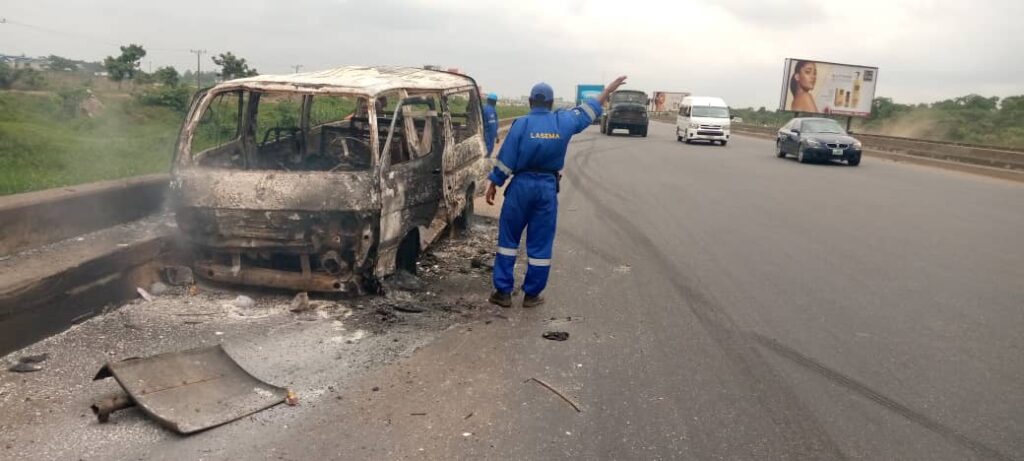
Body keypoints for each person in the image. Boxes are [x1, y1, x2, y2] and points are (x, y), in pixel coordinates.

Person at [485, 76, 628, 308]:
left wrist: (494, 183)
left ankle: (503, 293)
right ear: (551, 103)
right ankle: (532, 295)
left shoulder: (521, 124)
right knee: (540, 243)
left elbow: (506, 160)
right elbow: (589, 109)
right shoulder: (563, 121)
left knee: (508, 240)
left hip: (520, 188)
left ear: (531, 101)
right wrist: (608, 91)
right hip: (546, 189)